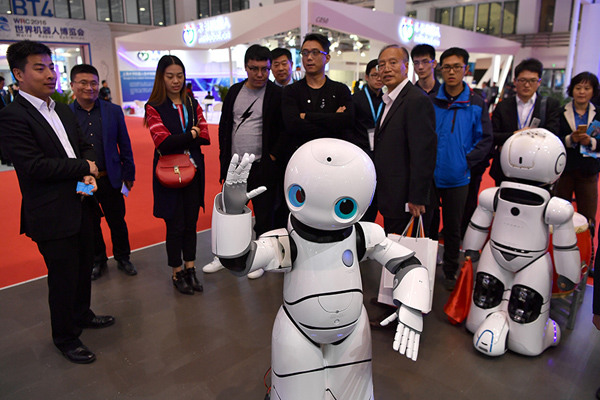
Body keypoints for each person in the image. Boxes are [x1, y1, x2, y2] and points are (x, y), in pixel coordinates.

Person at [0, 40, 114, 364]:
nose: (50, 74)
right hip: (51, 212)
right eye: (40, 68)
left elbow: (83, 145)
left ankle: (82, 314)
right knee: (62, 276)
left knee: (84, 267)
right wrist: (84, 167)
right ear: (18, 74)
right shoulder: (12, 116)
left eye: (51, 67)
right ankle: (65, 336)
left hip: (83, 199)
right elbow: (34, 166)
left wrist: (89, 171)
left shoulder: (61, 107)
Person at [203, 44, 285, 279]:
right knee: (228, 214)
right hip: (235, 167)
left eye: (264, 69)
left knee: (264, 215)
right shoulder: (235, 91)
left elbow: (284, 130)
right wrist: (224, 157)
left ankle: (259, 258)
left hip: (262, 166)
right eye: (254, 68)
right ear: (246, 67)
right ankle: (223, 257)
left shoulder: (276, 94)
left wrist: (272, 157)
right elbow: (225, 127)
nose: (260, 74)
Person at [144, 55, 210, 295]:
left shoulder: (192, 102)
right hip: (167, 174)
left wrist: (189, 135)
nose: (175, 81)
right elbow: (163, 141)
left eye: (179, 76)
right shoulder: (153, 107)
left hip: (193, 171)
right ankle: (176, 271)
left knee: (191, 222)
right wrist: (191, 134)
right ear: (161, 78)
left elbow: (205, 135)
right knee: (175, 225)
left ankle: (191, 268)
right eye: (170, 76)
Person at [430, 47, 492, 291]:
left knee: (454, 227)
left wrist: (465, 161)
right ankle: (425, 266)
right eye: (447, 67)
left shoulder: (476, 103)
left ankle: (449, 270)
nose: (452, 72)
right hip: (431, 176)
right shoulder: (432, 100)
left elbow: (485, 139)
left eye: (457, 67)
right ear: (441, 69)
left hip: (458, 177)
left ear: (466, 69)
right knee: (429, 225)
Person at [69, 64, 137, 280]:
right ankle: (98, 260)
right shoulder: (66, 114)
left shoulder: (113, 111)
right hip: (84, 180)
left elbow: (124, 145)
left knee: (117, 220)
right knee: (90, 223)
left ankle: (123, 257)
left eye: (93, 83)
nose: (89, 87)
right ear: (72, 85)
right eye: (83, 83)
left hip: (112, 178)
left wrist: (129, 176)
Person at [373, 44, 437, 236]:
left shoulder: (416, 100)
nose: (386, 69)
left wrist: (417, 197)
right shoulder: (389, 100)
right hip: (392, 194)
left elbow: (423, 152)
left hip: (408, 200)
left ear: (406, 66)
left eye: (393, 62)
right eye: (381, 64)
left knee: (407, 255)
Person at [489, 58, 560, 186]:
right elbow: (492, 135)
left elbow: (553, 133)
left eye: (532, 80)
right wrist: (515, 134)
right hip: (506, 170)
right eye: (522, 80)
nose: (527, 85)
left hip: (538, 170)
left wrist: (527, 136)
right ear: (515, 81)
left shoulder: (549, 105)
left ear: (539, 82)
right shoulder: (503, 106)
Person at [282, 33, 354, 154]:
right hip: (301, 156)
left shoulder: (340, 90)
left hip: (334, 155)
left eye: (315, 52)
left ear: (327, 58)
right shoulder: (291, 91)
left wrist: (308, 116)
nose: (309, 57)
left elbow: (347, 121)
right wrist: (333, 120)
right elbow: (293, 126)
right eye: (305, 53)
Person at [554, 72, 600, 256]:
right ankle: (559, 252)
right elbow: (554, 138)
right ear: (571, 90)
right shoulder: (560, 112)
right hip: (565, 170)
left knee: (588, 217)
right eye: (578, 88)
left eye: (586, 88)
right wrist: (569, 139)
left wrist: (591, 142)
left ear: (593, 91)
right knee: (560, 215)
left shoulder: (599, 113)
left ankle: (588, 256)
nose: (582, 92)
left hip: (588, 172)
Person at [351, 59, 383, 222]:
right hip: (361, 155)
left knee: (376, 200)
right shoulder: (356, 99)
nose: (378, 79)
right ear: (367, 76)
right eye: (374, 75)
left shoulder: (387, 99)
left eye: (380, 75)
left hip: (381, 156)